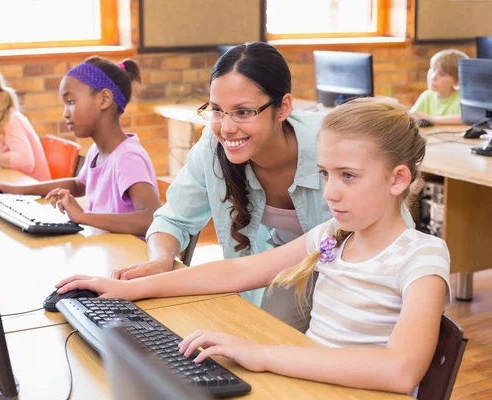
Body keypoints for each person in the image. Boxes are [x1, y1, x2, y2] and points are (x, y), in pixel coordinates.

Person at [54, 97, 450, 397]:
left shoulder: (422, 257)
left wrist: (261, 355)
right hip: (309, 381)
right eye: (326, 174)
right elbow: (240, 271)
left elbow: (400, 371)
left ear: (398, 179)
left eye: (348, 176)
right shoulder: (335, 235)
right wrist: (130, 290)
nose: (330, 192)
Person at [109, 42, 328, 331]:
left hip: (359, 273)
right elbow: (173, 219)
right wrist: (161, 260)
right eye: (217, 110)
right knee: (268, 333)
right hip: (283, 272)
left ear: (283, 107)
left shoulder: (331, 145)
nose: (225, 128)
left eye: (244, 112)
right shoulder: (214, 148)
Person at [0, 57, 161, 237]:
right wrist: (18, 190)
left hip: (131, 260)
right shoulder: (97, 151)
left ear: (104, 100)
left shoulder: (127, 158)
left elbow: (151, 218)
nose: (65, 113)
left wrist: (84, 217)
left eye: (71, 102)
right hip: (109, 250)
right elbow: (77, 185)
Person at [411, 49, 468, 126]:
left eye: (442, 74)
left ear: (457, 81)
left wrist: (432, 119)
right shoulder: (427, 96)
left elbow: (466, 118)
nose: (433, 77)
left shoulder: (462, 99)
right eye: (433, 70)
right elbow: (412, 116)